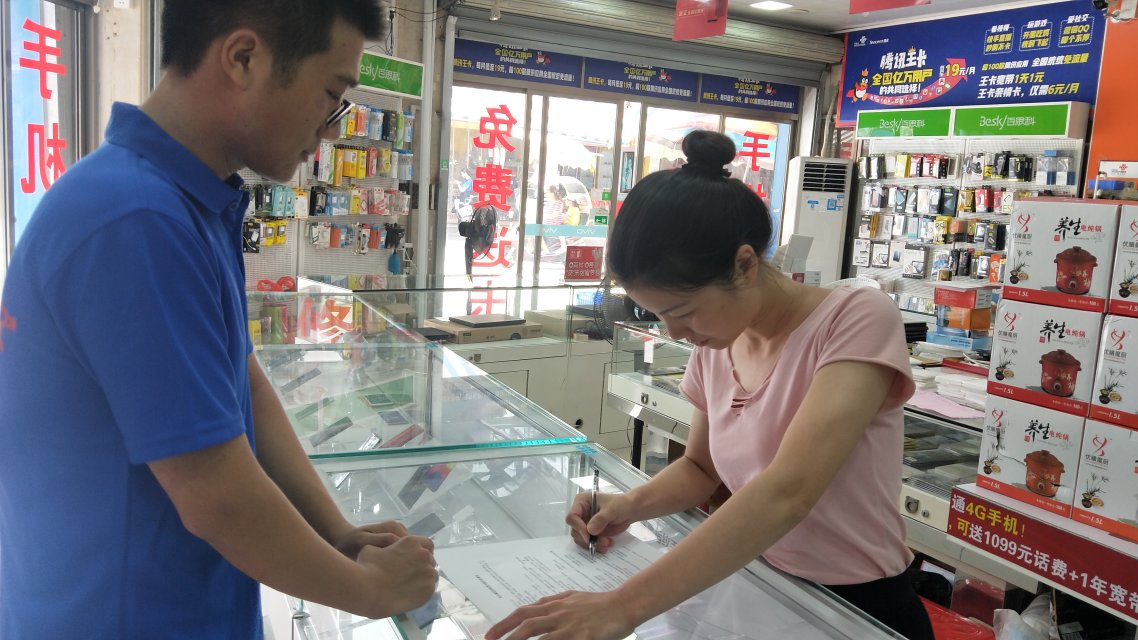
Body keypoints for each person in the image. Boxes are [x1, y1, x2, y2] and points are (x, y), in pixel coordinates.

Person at [0, 2, 437, 637]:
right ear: (243, 58)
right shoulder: (136, 221)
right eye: (330, 94)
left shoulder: (186, 200)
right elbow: (215, 494)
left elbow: (244, 385)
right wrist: (369, 590)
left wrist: (336, 531)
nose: (329, 129)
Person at [486, 130, 934, 640]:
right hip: (764, 585)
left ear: (744, 265)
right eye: (658, 315)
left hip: (858, 607)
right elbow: (701, 468)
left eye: (683, 311)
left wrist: (622, 607)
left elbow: (788, 493)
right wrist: (627, 505)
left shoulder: (856, 318)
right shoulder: (717, 342)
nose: (676, 333)